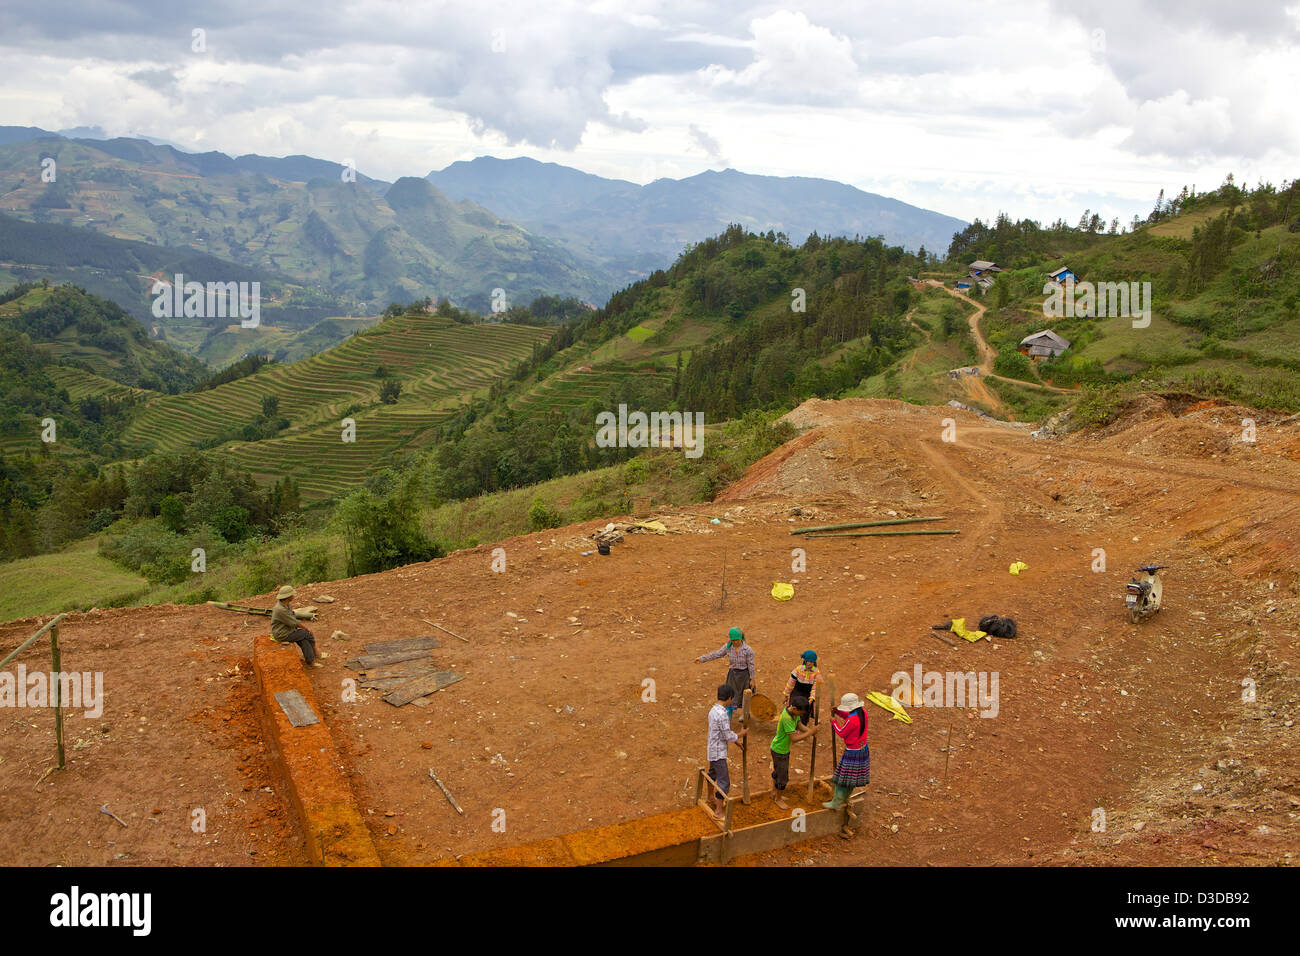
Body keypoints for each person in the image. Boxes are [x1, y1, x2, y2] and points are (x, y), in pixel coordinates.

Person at [824, 692, 869, 823]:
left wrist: (834, 722)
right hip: (863, 749)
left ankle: (836, 802)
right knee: (852, 779)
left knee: (842, 779)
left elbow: (841, 732)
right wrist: (838, 712)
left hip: (852, 752)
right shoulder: (863, 712)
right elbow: (849, 717)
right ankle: (845, 797)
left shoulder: (851, 720)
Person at [706, 684, 748, 821]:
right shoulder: (722, 715)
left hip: (712, 749)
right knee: (724, 782)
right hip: (719, 752)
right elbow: (727, 735)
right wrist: (741, 734)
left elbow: (722, 732)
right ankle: (718, 811)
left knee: (712, 773)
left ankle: (710, 796)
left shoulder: (713, 710)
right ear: (729, 698)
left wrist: (736, 742)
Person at [769, 698, 818, 809]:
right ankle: (778, 798)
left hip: (781, 749)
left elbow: (799, 725)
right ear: (795, 708)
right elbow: (794, 739)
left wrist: (810, 732)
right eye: (801, 713)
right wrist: (810, 732)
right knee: (783, 777)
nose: (801, 715)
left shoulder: (794, 714)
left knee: (778, 771)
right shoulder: (786, 718)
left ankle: (774, 792)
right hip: (780, 751)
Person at [697, 627, 755, 714]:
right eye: (733, 640)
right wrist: (702, 659)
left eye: (737, 640)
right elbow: (717, 654)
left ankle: (745, 716)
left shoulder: (748, 650)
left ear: (741, 638)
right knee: (730, 696)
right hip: (733, 676)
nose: (735, 642)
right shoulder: (728, 647)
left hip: (744, 676)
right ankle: (728, 715)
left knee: (745, 697)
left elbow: (751, 665)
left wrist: (752, 679)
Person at [271, 585, 325, 667]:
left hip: (289, 630)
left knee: (303, 640)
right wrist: (306, 628)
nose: (294, 596)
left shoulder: (286, 605)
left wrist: (308, 616)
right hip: (282, 634)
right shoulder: (280, 609)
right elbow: (293, 622)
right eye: (292, 594)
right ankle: (316, 652)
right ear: (288, 596)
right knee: (307, 633)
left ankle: (310, 661)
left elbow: (293, 615)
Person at [782, 650, 822, 726]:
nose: (809, 663)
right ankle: (791, 724)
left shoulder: (816, 672)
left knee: (805, 711)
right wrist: (786, 695)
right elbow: (791, 683)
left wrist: (811, 698)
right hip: (797, 691)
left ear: (814, 662)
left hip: (808, 693)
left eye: (811, 661)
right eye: (807, 661)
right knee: (793, 707)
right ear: (804, 661)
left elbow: (815, 687)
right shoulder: (798, 669)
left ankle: (802, 725)